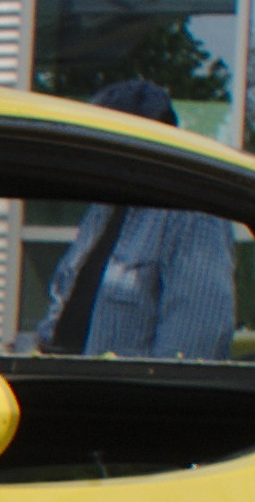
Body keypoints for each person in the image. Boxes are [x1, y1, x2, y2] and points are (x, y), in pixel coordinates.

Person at [38, 83, 240, 355]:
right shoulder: (103, 209)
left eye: (105, 139)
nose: (95, 153)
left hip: (124, 396)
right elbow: (61, 314)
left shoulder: (192, 216)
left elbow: (190, 353)